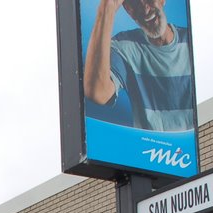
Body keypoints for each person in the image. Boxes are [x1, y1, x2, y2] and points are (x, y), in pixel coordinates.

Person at [83, 0, 195, 131]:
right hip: (150, 150)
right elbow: (98, 92)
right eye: (135, 3)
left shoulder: (192, 42)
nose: (146, 10)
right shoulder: (124, 47)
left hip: (196, 148)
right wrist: (106, 8)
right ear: (129, 11)